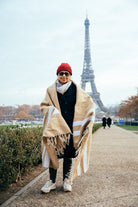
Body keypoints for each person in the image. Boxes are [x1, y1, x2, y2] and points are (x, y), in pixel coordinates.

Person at [40, 63, 95, 193]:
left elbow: (88, 104)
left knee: (68, 154)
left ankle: (66, 180)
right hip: (56, 128)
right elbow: (44, 106)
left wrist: (90, 116)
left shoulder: (77, 90)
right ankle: (52, 181)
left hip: (71, 127)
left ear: (70, 75)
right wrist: (52, 112)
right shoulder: (50, 90)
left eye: (66, 73)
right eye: (61, 73)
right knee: (52, 152)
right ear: (57, 75)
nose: (64, 76)